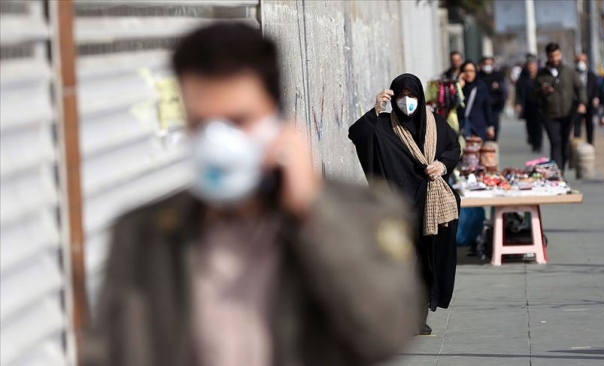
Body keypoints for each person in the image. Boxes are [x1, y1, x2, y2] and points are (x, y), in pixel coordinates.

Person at [82, 23, 421, 366]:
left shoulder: (359, 213)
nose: (218, 140)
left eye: (238, 120)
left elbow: (387, 333)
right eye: (201, 123)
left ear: (276, 119)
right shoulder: (145, 233)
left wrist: (313, 213)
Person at [348, 73, 461, 336]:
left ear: (420, 97)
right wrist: (376, 109)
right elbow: (358, 134)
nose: (407, 101)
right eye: (401, 97)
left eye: (411, 96)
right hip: (398, 207)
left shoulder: (434, 124)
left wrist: (442, 165)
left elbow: (453, 147)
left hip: (430, 206)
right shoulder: (385, 125)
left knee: (425, 264)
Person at [535, 43, 587, 172]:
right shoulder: (542, 74)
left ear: (561, 54)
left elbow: (580, 87)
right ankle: (557, 172)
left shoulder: (568, 72)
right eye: (552, 56)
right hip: (549, 114)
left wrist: (582, 103)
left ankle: (561, 168)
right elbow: (534, 93)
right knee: (555, 142)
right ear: (548, 56)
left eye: (557, 55)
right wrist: (543, 91)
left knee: (564, 142)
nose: (555, 58)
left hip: (567, 113)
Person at [457, 61, 496, 141]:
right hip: (461, 127)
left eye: (471, 71)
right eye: (466, 71)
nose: (469, 74)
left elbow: (487, 106)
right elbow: (453, 105)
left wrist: (490, 126)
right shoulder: (457, 87)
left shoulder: (481, 87)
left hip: (478, 128)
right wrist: (458, 88)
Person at [516, 56, 544, 152]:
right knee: (530, 125)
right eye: (529, 66)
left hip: (539, 105)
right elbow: (518, 92)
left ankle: (538, 144)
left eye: (533, 66)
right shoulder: (523, 78)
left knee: (539, 125)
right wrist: (518, 103)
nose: (531, 68)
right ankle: (531, 139)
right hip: (528, 105)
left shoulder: (541, 76)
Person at [477, 56, 508, 141]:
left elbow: (504, 92)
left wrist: (498, 89)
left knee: (495, 126)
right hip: (480, 108)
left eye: (490, 64)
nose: (488, 66)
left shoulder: (498, 76)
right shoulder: (478, 77)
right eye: (486, 64)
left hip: (494, 106)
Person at [573, 53, 600, 145]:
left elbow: (596, 88)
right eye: (578, 61)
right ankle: (577, 144)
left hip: (589, 103)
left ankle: (590, 143)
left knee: (589, 124)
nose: (581, 63)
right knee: (577, 124)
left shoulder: (592, 75)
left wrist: (596, 98)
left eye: (583, 61)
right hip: (576, 103)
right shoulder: (573, 75)